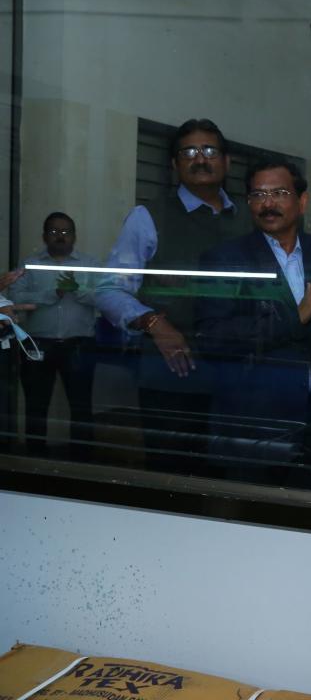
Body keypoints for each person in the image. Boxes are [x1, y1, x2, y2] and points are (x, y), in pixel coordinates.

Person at [94, 118, 245, 472]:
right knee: (176, 475)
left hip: (240, 374)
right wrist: (153, 321)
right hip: (172, 374)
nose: (200, 158)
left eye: (209, 150)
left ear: (227, 162)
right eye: (188, 152)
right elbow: (108, 289)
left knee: (237, 474)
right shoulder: (148, 217)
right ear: (174, 164)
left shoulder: (249, 215)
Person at [194, 160, 311, 483]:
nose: (268, 204)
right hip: (253, 419)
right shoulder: (225, 258)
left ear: (303, 200)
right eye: (258, 195)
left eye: (279, 193)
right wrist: (294, 319)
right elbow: (212, 337)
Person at [6, 213, 99, 458]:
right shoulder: (29, 264)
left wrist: (77, 289)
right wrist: (52, 293)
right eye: (54, 231)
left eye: (66, 231)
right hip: (38, 344)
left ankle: (83, 463)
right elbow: (14, 299)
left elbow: (104, 298)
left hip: (78, 343)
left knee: (81, 406)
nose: (60, 236)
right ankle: (35, 464)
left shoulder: (88, 264)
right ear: (44, 236)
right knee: (36, 406)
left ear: (75, 236)